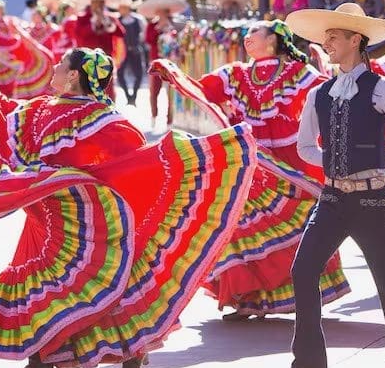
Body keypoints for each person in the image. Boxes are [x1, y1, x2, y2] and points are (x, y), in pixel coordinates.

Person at [0, 48, 256, 368]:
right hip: (45, 219)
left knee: (72, 286)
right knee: (57, 288)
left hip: (82, 222)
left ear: (74, 76)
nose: (55, 67)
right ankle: (52, 361)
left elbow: (131, 159)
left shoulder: (100, 119)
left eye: (61, 64)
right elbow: (2, 122)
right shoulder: (43, 110)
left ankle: (79, 358)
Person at [268, 2, 385, 368]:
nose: (327, 44)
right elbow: (305, 146)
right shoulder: (320, 93)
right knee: (303, 269)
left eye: (334, 37)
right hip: (333, 198)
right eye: (326, 38)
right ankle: (308, 365)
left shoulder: (382, 87)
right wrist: (335, 163)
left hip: (372, 200)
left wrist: (384, 165)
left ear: (356, 40)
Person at [150, 20, 350, 320]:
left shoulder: (298, 73)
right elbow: (204, 89)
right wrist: (174, 74)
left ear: (274, 40)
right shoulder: (237, 74)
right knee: (236, 226)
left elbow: (329, 94)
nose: (247, 39)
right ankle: (248, 299)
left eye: (253, 34)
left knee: (294, 226)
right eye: (246, 35)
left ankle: (296, 294)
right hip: (249, 164)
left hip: (286, 165)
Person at [141, 0, 191, 130]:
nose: (162, 14)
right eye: (160, 12)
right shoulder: (152, 25)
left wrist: (169, 28)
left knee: (171, 91)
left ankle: (169, 120)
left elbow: (180, 40)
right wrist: (158, 29)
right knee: (154, 91)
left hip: (171, 62)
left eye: (164, 12)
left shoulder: (176, 24)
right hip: (156, 62)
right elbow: (148, 40)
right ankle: (153, 116)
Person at [116, 0, 146, 106]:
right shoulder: (117, 20)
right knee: (120, 73)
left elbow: (143, 35)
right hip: (122, 52)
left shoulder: (138, 20)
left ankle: (134, 96)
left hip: (135, 50)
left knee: (139, 74)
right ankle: (128, 96)